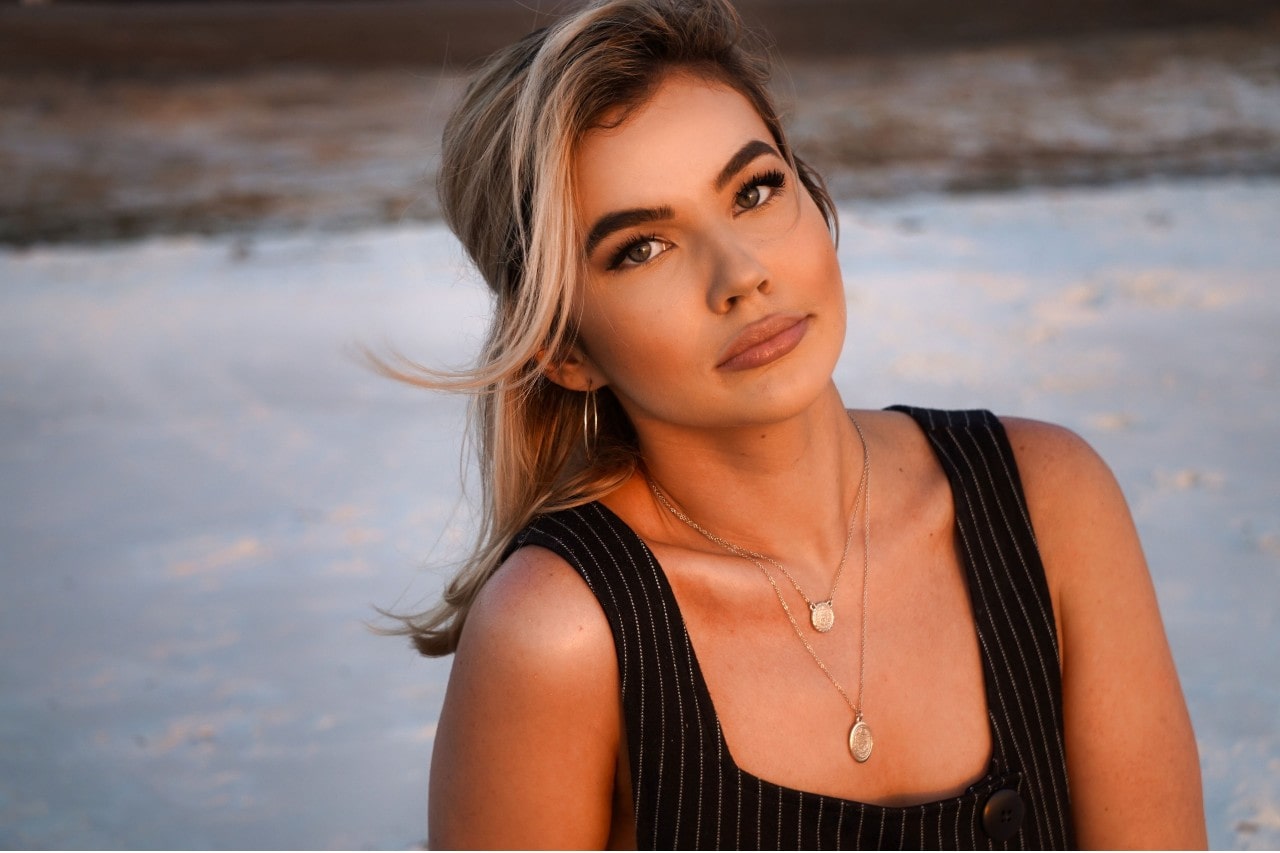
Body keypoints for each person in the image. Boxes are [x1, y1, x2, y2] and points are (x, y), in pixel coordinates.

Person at [382, 0, 1207, 847]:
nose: (740, 275)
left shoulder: (1050, 503)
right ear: (563, 348)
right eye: (641, 247)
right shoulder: (560, 631)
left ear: (812, 197)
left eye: (754, 190)